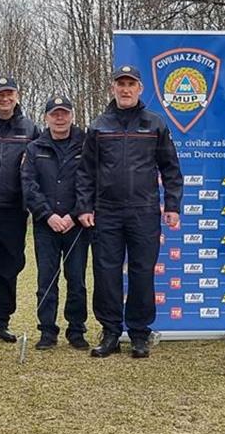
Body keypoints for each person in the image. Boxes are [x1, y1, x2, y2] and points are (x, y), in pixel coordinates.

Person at [75, 65, 183, 358]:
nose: (125, 89)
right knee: (106, 273)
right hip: (106, 212)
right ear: (112, 88)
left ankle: (138, 333)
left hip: (144, 211)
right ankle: (110, 332)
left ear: (140, 89)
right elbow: (85, 172)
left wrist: (172, 204)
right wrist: (84, 206)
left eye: (130, 84)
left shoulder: (155, 124)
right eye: (120, 84)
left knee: (141, 273)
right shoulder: (99, 125)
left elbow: (171, 168)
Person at [21, 96, 90, 351]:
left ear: (72, 115)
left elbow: (89, 183)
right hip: (45, 224)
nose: (59, 118)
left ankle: (76, 330)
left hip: (77, 225)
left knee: (77, 280)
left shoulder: (86, 145)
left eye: (64, 113)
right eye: (54, 114)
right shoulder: (35, 147)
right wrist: (47, 214)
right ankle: (47, 331)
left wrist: (74, 215)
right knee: (46, 280)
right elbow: (29, 185)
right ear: (46, 117)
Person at [0, 76, 39, 342]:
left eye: (10, 94)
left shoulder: (30, 128)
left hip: (14, 210)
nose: (5, 99)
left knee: (9, 266)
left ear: (17, 96)